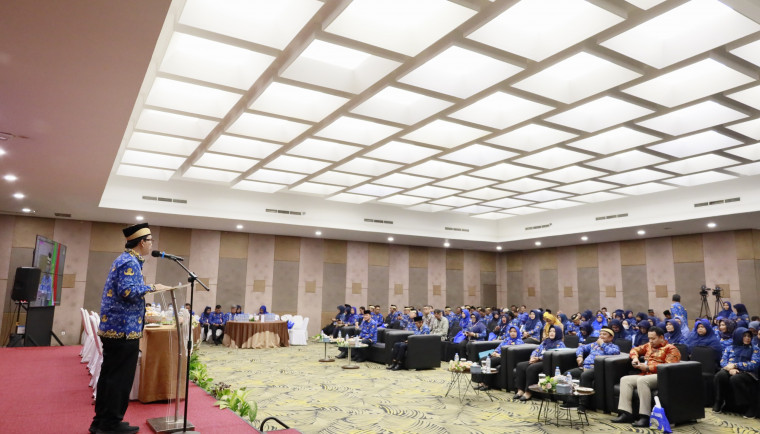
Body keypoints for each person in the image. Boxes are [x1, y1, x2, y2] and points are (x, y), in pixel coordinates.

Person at [90, 223, 170, 434]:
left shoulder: (125, 259)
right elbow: (127, 291)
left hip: (116, 329)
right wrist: (154, 287)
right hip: (123, 330)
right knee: (119, 379)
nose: (152, 244)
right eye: (150, 240)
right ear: (142, 242)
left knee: (109, 377)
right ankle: (110, 424)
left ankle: (102, 422)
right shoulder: (130, 261)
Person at [611, 326, 681, 427]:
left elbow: (667, 367)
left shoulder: (671, 349)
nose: (650, 341)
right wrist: (635, 358)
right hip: (646, 374)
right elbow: (634, 349)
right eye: (649, 338)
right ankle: (626, 413)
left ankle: (645, 416)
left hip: (662, 377)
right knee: (625, 380)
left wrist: (648, 368)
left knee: (642, 381)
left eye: (653, 338)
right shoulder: (648, 346)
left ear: (661, 337)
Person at [563, 327, 620, 410]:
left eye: (604, 334)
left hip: (597, 369)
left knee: (585, 375)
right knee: (568, 374)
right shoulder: (594, 344)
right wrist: (579, 356)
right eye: (600, 334)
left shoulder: (614, 347)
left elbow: (613, 353)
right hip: (584, 367)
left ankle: (583, 405)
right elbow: (581, 348)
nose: (601, 336)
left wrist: (602, 344)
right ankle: (571, 401)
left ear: (611, 337)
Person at [713, 327, 759, 418]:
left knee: (736, 379)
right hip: (731, 369)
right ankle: (719, 401)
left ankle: (750, 407)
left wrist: (736, 365)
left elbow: (754, 364)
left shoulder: (755, 349)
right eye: (744, 336)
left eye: (749, 336)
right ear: (738, 336)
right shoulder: (730, 347)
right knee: (720, 375)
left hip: (748, 373)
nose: (747, 338)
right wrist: (730, 368)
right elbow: (723, 361)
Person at [513, 325, 565, 401]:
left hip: (546, 363)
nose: (551, 333)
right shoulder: (545, 342)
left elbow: (553, 355)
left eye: (554, 331)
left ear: (558, 333)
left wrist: (539, 358)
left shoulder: (560, 344)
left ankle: (528, 392)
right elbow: (536, 350)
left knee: (531, 368)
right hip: (536, 359)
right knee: (520, 365)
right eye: (550, 331)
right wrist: (532, 357)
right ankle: (520, 390)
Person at [475, 326, 523, 390]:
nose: (512, 333)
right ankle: (480, 382)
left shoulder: (519, 342)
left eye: (514, 331)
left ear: (518, 332)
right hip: (497, 355)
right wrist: (495, 352)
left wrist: (500, 355)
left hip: (505, 358)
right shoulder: (506, 339)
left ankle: (487, 384)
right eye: (511, 331)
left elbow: (513, 353)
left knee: (490, 362)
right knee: (482, 360)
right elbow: (499, 347)